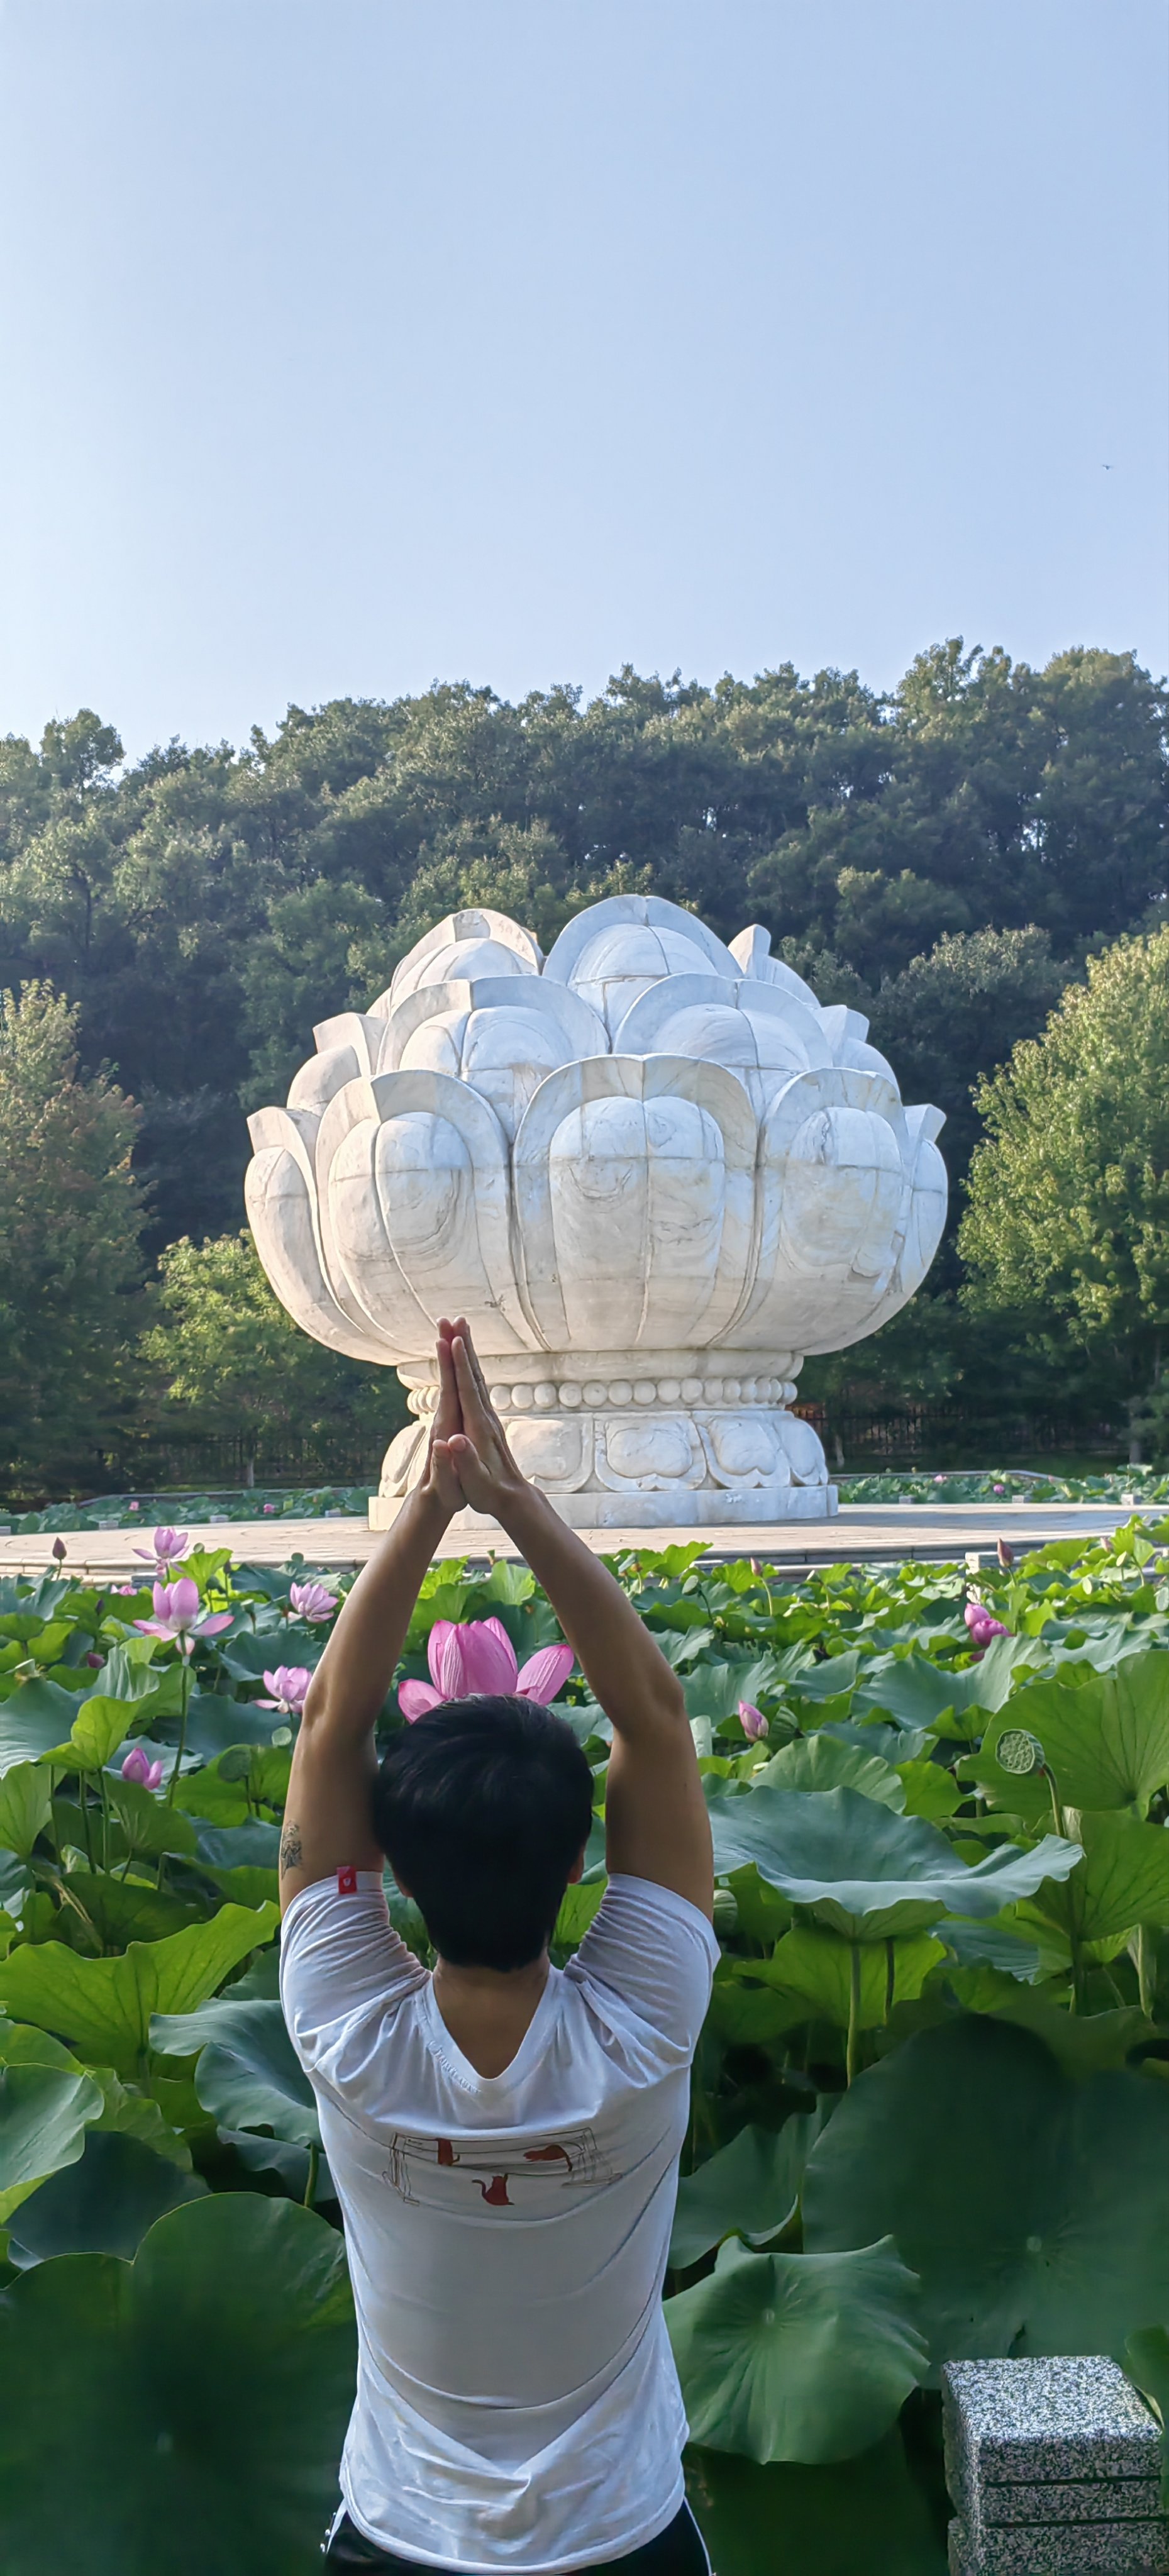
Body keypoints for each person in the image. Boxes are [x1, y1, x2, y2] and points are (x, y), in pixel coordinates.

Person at [279, 1318, 717, 2576]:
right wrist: (512, 1499)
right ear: (583, 1864)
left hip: (402, 2539)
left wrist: (427, 1504)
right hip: (620, 2536)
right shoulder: (641, 2023)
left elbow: (326, 1723)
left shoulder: (345, 2023)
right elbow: (658, 1717)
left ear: (392, 1879)